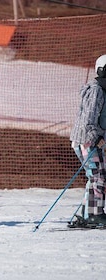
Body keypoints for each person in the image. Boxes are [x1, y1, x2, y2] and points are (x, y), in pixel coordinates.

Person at [70, 54, 106, 226]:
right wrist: (94, 137)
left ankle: (88, 213)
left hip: (95, 140)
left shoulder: (103, 90)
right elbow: (88, 118)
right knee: (98, 176)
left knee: (96, 176)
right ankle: (94, 214)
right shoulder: (96, 90)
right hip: (86, 141)